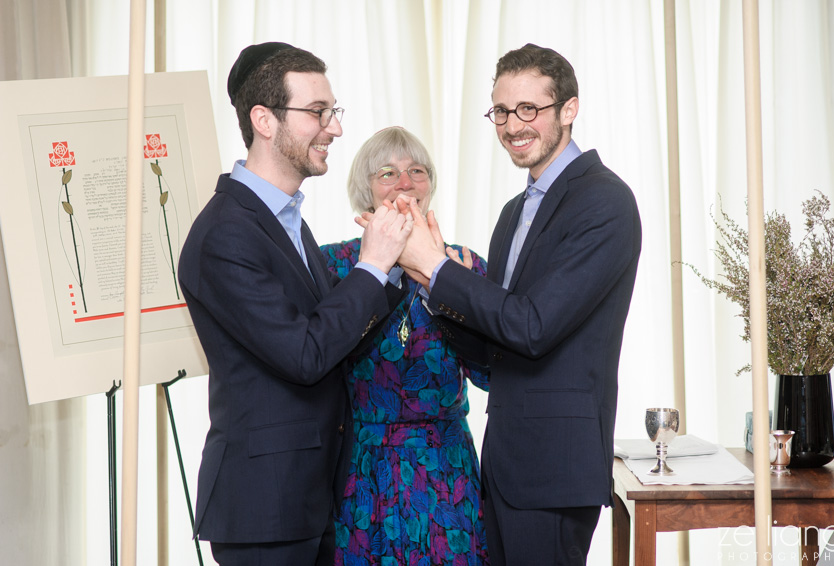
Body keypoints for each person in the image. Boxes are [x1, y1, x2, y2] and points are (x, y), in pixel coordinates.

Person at [395, 44, 642, 565]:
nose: (512, 126)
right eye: (502, 111)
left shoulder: (604, 201)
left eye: (529, 109)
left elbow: (533, 326)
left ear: (569, 109)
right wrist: (430, 283)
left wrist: (438, 268)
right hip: (505, 465)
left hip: (554, 470)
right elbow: (496, 347)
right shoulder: (514, 211)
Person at [177, 43, 412, 566]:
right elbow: (305, 355)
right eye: (318, 112)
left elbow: (334, 341)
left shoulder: (285, 220)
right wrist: (372, 264)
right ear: (264, 120)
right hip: (265, 507)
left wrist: (396, 267)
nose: (335, 128)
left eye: (333, 111)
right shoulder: (225, 234)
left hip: (307, 497)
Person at [320, 127, 489, 566]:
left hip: (446, 468)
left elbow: (491, 373)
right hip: (364, 469)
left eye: (417, 171)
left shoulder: (464, 266)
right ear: (366, 189)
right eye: (387, 173)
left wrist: (449, 290)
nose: (404, 183)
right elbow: (318, 357)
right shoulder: (336, 265)